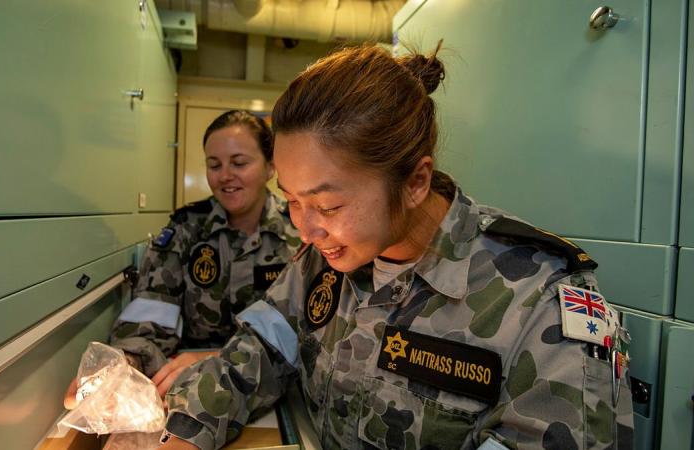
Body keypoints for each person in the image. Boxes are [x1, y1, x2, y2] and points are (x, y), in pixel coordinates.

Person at [158, 45, 634, 450]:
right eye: (292, 201)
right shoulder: (321, 262)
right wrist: (183, 429)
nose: (304, 231)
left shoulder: (541, 304)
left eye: (326, 205)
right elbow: (258, 352)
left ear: (415, 182)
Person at [64, 110, 300, 409]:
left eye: (239, 163)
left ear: (270, 167)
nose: (225, 175)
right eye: (214, 165)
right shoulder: (185, 230)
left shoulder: (301, 231)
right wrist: (125, 363)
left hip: (278, 389)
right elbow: (152, 312)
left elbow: (310, 331)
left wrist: (222, 359)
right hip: (190, 385)